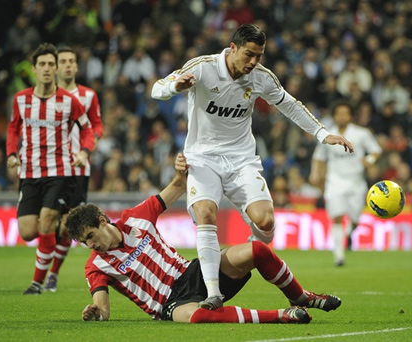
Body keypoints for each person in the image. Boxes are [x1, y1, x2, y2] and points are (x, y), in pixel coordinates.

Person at [151, 23, 354, 309]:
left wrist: (323, 133)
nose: (254, 62)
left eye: (259, 55)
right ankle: (213, 294)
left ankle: (248, 254)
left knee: (266, 222)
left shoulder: (260, 77)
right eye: (249, 54)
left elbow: (290, 105)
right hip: (202, 158)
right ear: (232, 48)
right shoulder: (203, 67)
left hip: (241, 159)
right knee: (206, 213)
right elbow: (157, 89)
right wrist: (174, 86)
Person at [65, 153, 341, 324]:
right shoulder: (96, 266)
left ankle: (301, 298)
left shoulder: (136, 217)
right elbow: (104, 309)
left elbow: (176, 187)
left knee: (257, 250)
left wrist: (179, 170)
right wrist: (95, 312)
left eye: (90, 236)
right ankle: (281, 316)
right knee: (199, 317)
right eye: (85, 243)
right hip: (169, 304)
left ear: (102, 221)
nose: (91, 246)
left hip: (195, 272)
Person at [6, 43, 95, 295]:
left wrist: (84, 152)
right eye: (42, 64)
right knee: (27, 232)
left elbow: (87, 128)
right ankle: (51, 250)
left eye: (51, 65)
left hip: (60, 171)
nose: (47, 69)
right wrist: (12, 154)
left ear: (56, 69)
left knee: (47, 221)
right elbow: (13, 128)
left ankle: (38, 283)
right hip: (30, 172)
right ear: (34, 69)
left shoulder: (69, 101)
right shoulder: (21, 99)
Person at [43, 46, 104, 293]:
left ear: (77, 67)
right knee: (45, 222)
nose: (68, 65)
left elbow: (97, 126)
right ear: (56, 67)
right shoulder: (43, 98)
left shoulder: (88, 95)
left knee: (68, 224)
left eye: (72, 61)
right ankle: (45, 268)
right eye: (63, 61)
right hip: (48, 168)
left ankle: (53, 274)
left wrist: (88, 148)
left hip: (78, 170)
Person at [309, 101, 381, 266]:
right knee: (337, 217)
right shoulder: (328, 134)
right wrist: (315, 173)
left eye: (345, 113)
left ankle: (349, 234)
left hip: (356, 182)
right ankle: (339, 256)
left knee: (355, 219)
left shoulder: (361, 134)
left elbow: (376, 150)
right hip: (334, 182)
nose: (342, 116)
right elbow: (319, 156)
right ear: (334, 116)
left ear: (350, 116)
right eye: (339, 113)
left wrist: (368, 160)